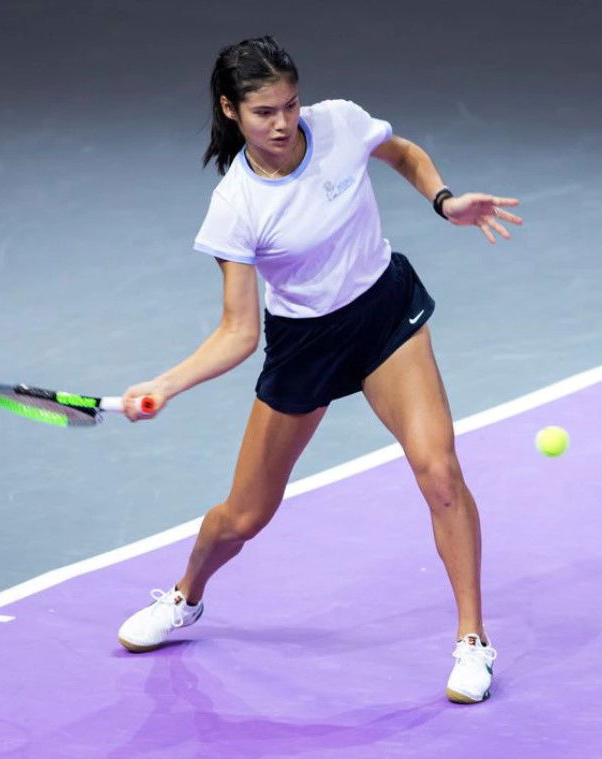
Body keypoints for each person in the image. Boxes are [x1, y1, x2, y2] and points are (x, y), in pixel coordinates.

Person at [115, 35, 521, 705]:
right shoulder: (236, 205)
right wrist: (166, 383)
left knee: (439, 471)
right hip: (305, 344)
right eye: (263, 112)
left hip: (384, 315)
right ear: (230, 111)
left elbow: (401, 152)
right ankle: (185, 595)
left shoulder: (338, 123)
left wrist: (442, 199)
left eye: (290, 105)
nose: (282, 123)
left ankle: (472, 640)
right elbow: (238, 331)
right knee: (244, 517)